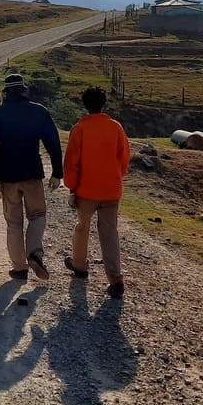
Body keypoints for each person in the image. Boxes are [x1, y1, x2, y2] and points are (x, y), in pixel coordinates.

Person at [0, 72, 63, 281]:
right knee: (37, 215)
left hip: (7, 176)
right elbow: (53, 144)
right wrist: (57, 172)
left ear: (5, 92)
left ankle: (19, 268)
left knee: (13, 223)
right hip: (32, 173)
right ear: (23, 90)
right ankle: (34, 253)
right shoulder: (39, 112)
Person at [62, 86, 132, 299]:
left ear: (84, 104)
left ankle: (80, 266)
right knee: (110, 233)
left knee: (82, 227)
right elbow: (124, 158)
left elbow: (71, 162)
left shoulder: (80, 128)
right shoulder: (116, 127)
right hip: (111, 189)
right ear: (104, 103)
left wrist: (72, 186)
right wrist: (114, 175)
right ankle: (115, 279)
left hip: (87, 190)